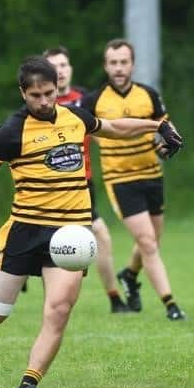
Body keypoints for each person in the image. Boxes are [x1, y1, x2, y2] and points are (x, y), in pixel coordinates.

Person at [0, 55, 183, 388]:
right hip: (26, 232)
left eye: (49, 93)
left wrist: (156, 126)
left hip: (71, 235)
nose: (43, 102)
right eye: (36, 95)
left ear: (57, 89)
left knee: (58, 309)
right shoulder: (10, 132)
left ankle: (27, 387)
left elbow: (114, 128)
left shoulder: (76, 117)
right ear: (23, 92)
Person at [81, 38, 186, 320]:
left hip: (152, 175)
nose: (118, 68)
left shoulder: (148, 95)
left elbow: (165, 125)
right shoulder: (93, 100)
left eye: (123, 62)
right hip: (120, 179)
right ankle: (170, 304)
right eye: (113, 62)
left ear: (132, 64)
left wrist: (172, 141)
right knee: (148, 242)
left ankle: (129, 275)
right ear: (105, 66)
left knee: (153, 240)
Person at [43, 45, 130, 313]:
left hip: (82, 185)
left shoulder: (84, 100)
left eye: (64, 65)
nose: (60, 70)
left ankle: (115, 299)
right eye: (53, 66)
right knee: (41, 241)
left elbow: (111, 125)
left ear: (70, 69)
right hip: (47, 186)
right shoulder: (41, 104)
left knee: (101, 236)